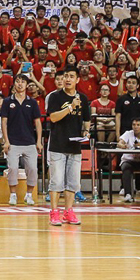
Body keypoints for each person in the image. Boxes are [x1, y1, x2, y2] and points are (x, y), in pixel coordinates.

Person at [46, 66, 90, 226]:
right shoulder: (55, 97)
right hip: (58, 144)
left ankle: (68, 212)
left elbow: (86, 120)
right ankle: (54, 212)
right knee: (56, 181)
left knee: (73, 182)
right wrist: (70, 106)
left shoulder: (83, 99)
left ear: (78, 79)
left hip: (75, 146)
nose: (68, 79)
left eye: (71, 76)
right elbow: (53, 118)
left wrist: (86, 132)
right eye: (66, 76)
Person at [0, 74, 42, 206]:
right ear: (14, 84)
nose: (20, 84)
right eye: (17, 81)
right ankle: (13, 194)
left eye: (23, 82)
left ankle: (29, 194)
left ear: (26, 85)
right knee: (12, 168)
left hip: (29, 141)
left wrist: (39, 141)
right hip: (13, 142)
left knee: (33, 169)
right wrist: (6, 141)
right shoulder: (7, 101)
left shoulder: (33, 102)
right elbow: (3, 122)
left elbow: (38, 123)